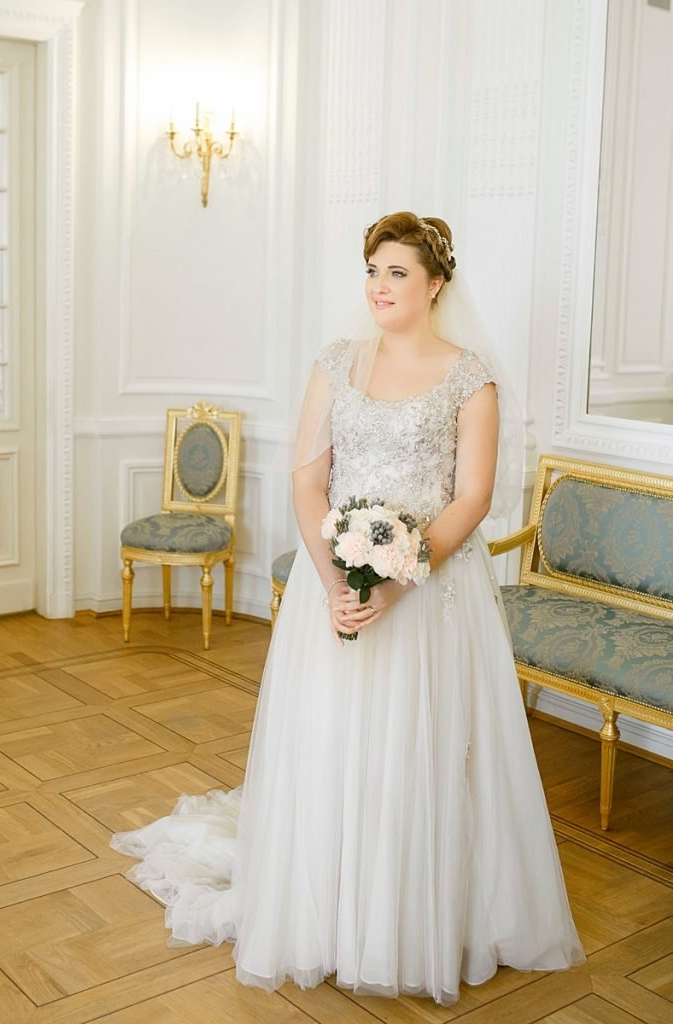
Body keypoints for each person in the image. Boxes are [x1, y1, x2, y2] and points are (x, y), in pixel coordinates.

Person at [111, 212, 585, 1006]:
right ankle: (325, 909)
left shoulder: (470, 379)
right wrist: (335, 580)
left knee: (423, 747)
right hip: (329, 585)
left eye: (397, 272)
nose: (378, 286)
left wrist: (397, 579)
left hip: (432, 597)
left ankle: (411, 916)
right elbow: (307, 478)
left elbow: (470, 499)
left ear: (435, 284)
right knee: (331, 738)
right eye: (372, 270)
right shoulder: (335, 362)